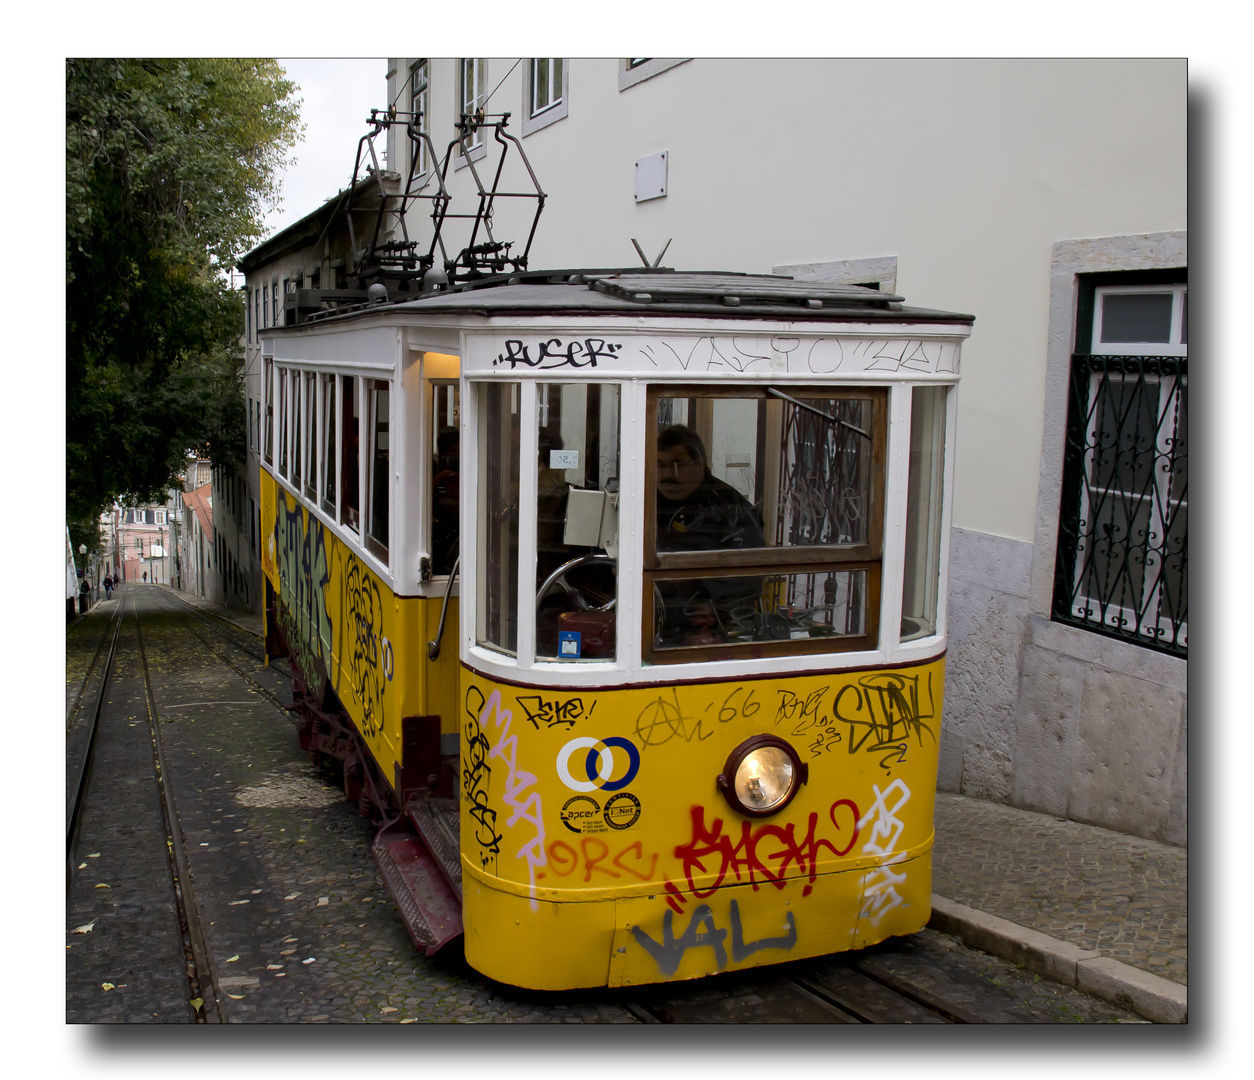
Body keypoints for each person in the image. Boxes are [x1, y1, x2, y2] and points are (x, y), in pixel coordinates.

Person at [654, 425, 764, 645]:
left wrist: (713, 603)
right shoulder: (644, 501)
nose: (667, 475)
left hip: (710, 632)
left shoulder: (731, 508)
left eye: (677, 465)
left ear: (699, 462)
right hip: (648, 622)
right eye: (660, 465)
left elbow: (750, 570)